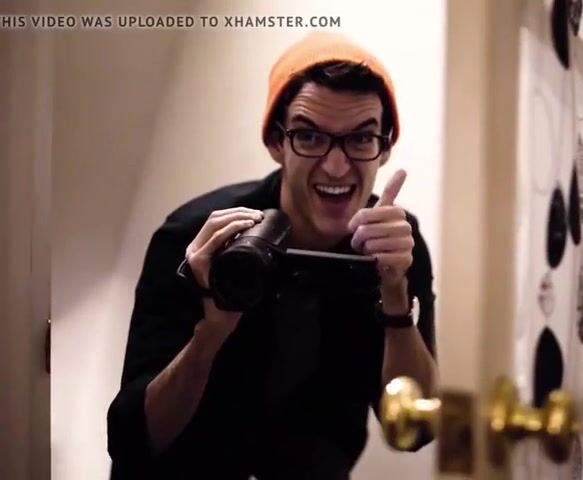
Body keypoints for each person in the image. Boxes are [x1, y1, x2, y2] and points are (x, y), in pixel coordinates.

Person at [106, 31, 439, 479]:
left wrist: (395, 294)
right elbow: (133, 440)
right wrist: (211, 333)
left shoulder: (396, 241)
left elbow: (416, 431)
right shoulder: (197, 238)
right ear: (275, 142)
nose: (336, 166)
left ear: (385, 147)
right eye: (310, 136)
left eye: (361, 138)